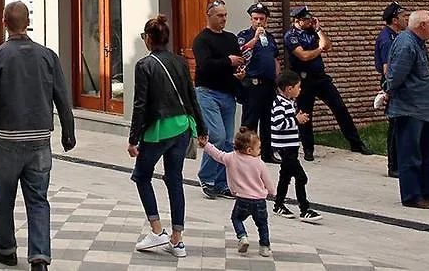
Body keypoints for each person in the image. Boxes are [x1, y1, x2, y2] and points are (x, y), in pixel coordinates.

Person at [0, 1, 76, 271]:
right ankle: (40, 257)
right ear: (28, 21)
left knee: (4, 195)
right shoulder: (47, 55)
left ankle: (7, 248)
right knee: (38, 198)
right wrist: (68, 131)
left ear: (3, 21)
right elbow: (62, 95)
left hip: (6, 138)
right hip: (39, 139)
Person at [130, 14, 206, 260]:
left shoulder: (145, 64)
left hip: (159, 129)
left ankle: (156, 230)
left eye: (144, 36)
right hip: (183, 125)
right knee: (174, 179)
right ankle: (177, 239)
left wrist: (133, 138)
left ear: (149, 39)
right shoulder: (181, 62)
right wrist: (202, 128)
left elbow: (140, 104)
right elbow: (191, 96)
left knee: (141, 176)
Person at [384, 10, 429, 209]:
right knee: (410, 154)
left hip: (423, 110)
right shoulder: (406, 44)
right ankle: (412, 196)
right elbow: (395, 75)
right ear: (421, 25)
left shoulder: (418, 43)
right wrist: (387, 92)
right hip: (409, 109)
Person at [284, 5, 371, 160]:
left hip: (321, 78)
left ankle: (356, 143)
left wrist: (318, 30)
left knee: (339, 107)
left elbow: (328, 46)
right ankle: (308, 148)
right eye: (306, 19)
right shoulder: (291, 36)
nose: (310, 21)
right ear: (297, 20)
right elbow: (303, 56)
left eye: (311, 18)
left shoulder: (313, 31)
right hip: (303, 80)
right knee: (305, 114)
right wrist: (319, 49)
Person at [193, 0, 244, 199]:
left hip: (228, 93)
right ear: (209, 16)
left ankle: (223, 182)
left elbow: (237, 61)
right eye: (219, 15)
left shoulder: (231, 39)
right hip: (207, 93)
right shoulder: (201, 40)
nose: (224, 19)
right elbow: (205, 65)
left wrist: (239, 70)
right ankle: (206, 177)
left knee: (228, 141)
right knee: (217, 136)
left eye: (225, 15)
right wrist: (227, 61)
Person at [201, 127, 275, 257]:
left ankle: (242, 237)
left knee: (236, 218)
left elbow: (217, 154)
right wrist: (272, 192)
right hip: (260, 201)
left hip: (242, 200)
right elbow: (268, 182)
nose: (260, 151)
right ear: (249, 150)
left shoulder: (231, 158)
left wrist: (206, 145)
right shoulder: (259, 163)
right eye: (258, 148)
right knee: (262, 224)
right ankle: (264, 246)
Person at [270, 70, 322, 222]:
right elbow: (279, 123)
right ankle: (304, 208)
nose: (300, 90)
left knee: (285, 176)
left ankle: (278, 204)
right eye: (298, 87)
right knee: (301, 177)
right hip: (284, 147)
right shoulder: (279, 103)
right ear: (288, 89)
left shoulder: (290, 102)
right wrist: (296, 120)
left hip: (291, 146)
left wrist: (298, 119)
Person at [236, 2, 280, 162]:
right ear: (251, 19)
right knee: (250, 122)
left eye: (261, 18)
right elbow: (242, 51)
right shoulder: (244, 35)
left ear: (266, 20)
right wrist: (255, 38)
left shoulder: (269, 38)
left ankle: (267, 154)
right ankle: (245, 153)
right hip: (252, 85)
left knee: (268, 121)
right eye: (255, 18)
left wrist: (277, 78)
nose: (259, 22)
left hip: (268, 85)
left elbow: (275, 58)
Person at [376, 1, 408, 178]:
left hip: (396, 84)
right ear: (395, 20)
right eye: (403, 17)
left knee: (402, 124)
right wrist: (389, 90)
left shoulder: (396, 36)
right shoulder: (387, 39)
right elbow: (388, 69)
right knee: (395, 125)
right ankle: (393, 165)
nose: (406, 20)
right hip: (392, 84)